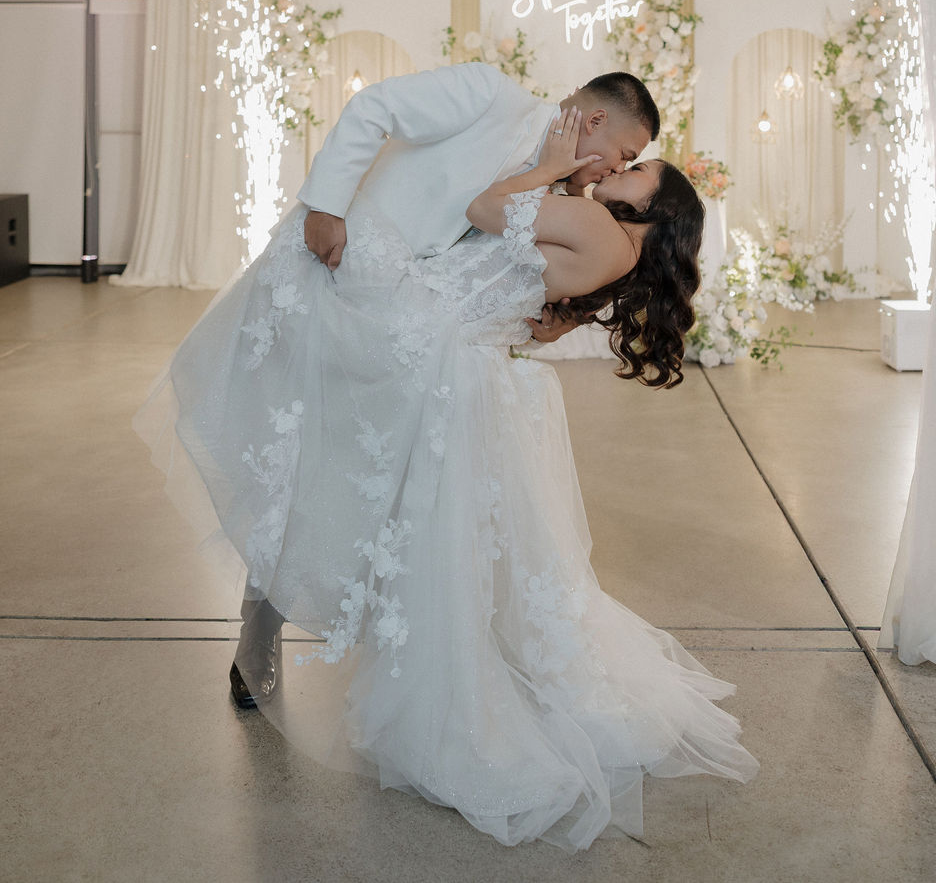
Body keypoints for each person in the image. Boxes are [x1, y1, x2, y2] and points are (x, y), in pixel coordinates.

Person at [141, 64, 757, 852]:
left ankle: (372, 667)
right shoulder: (494, 99)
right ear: (594, 124)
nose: (613, 169)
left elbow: (497, 228)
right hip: (346, 282)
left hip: (414, 341)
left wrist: (552, 234)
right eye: (627, 153)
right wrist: (325, 205)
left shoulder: (579, 202)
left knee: (345, 495)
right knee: (304, 470)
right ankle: (265, 642)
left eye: (632, 171)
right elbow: (382, 113)